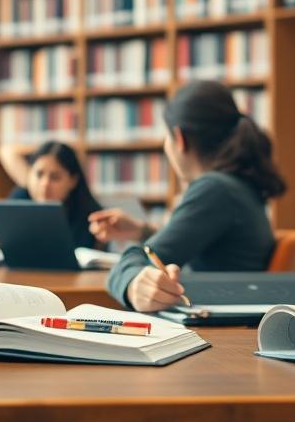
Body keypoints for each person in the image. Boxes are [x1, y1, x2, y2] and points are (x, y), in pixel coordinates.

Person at [97, 80, 285, 311]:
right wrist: (144, 231)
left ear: (180, 138)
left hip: (213, 325)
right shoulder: (238, 187)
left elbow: (133, 262)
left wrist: (131, 282)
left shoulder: (214, 190)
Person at [0, 141, 103, 256]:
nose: (45, 184)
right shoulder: (18, 200)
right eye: (39, 174)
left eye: (55, 177)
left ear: (73, 181)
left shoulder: (91, 216)